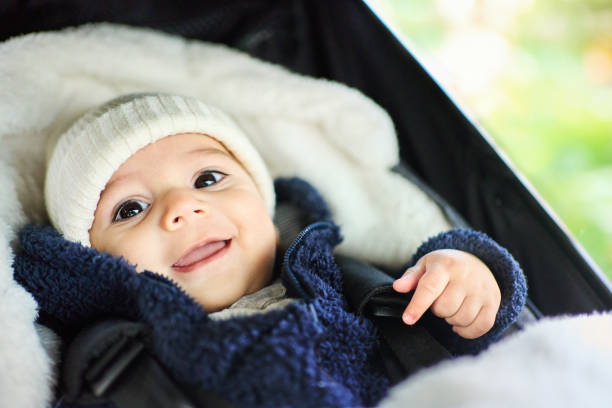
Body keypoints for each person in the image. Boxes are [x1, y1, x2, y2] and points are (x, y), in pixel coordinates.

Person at [14, 93, 527, 407]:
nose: (182, 209)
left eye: (208, 178)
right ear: (89, 259)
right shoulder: (112, 356)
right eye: (130, 209)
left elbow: (457, 328)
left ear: (265, 206)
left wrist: (465, 273)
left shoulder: (342, 281)